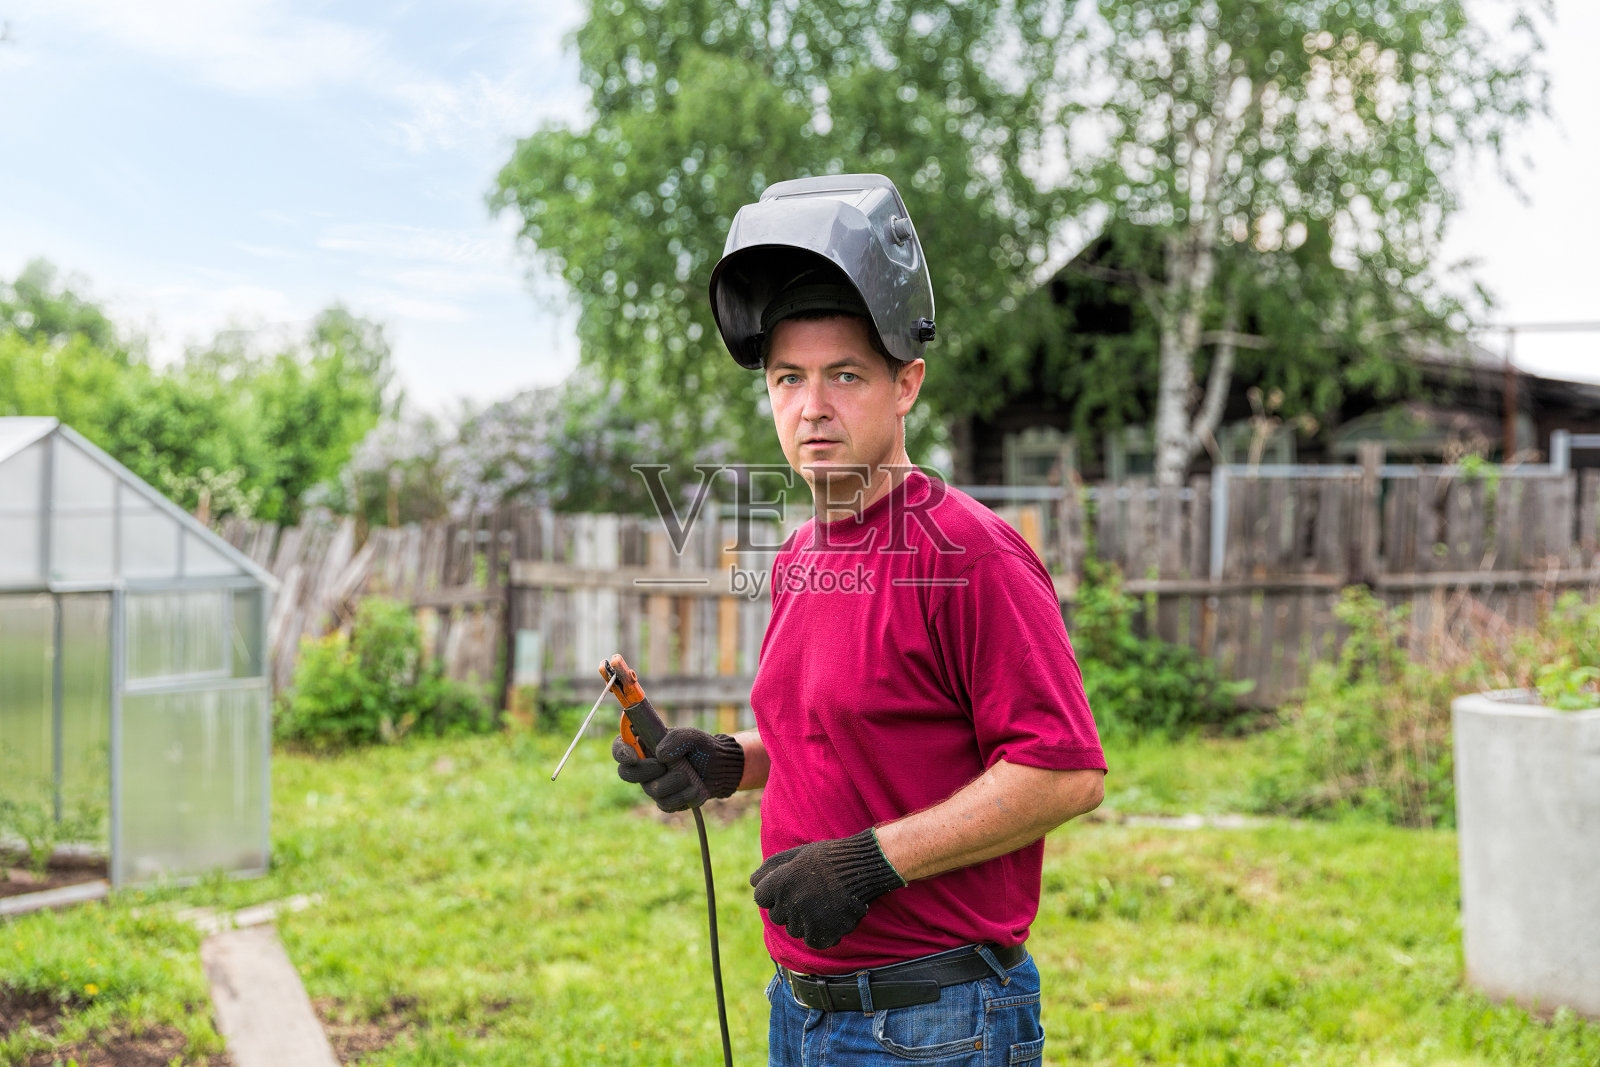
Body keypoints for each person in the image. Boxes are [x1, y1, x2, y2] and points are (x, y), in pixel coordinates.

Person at [613, 174, 1106, 1066]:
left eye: (844, 374)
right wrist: (729, 760)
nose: (812, 408)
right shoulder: (802, 554)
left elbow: (1063, 772)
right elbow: (839, 736)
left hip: (933, 1018)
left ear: (906, 383)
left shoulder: (969, 553)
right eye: (787, 378)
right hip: (799, 1009)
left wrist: (870, 863)